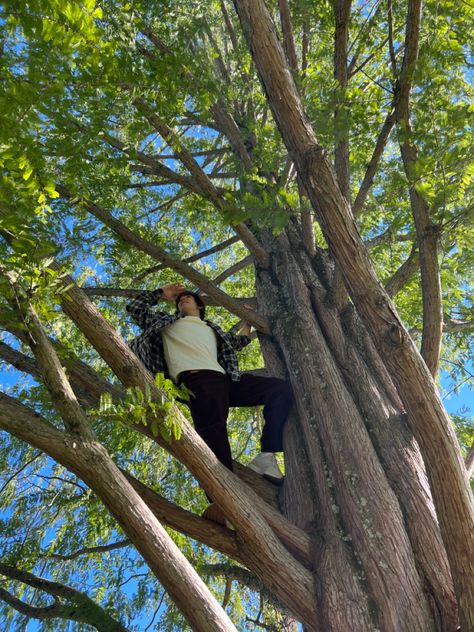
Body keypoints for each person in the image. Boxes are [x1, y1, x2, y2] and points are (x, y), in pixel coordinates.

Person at [126, 283, 293, 523]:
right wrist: (162, 293)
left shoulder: (212, 330)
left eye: (187, 298)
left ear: (200, 305)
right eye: (179, 299)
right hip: (197, 380)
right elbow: (135, 308)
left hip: (225, 381)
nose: (182, 300)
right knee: (213, 433)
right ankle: (221, 502)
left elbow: (238, 342)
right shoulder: (166, 323)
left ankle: (266, 457)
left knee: (279, 390)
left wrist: (247, 321)